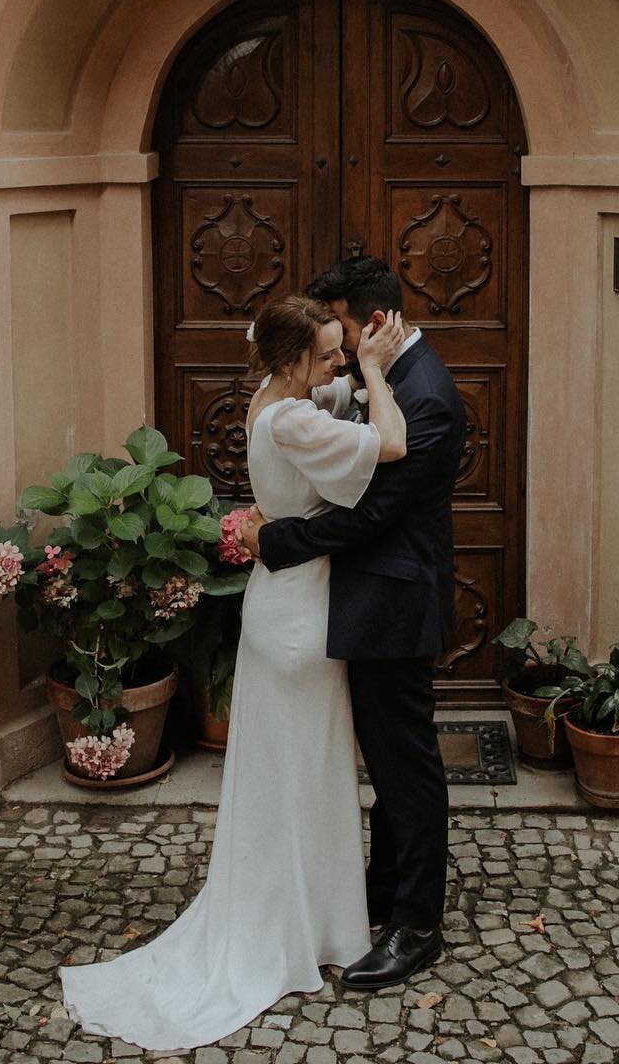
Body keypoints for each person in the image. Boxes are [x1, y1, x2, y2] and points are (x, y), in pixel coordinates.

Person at [60, 293, 408, 1050]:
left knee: (290, 772)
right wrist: (380, 376)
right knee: (304, 772)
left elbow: (330, 397)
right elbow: (390, 445)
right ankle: (300, 930)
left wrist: (353, 364)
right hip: (301, 617)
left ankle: (302, 918)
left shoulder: (269, 398)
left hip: (276, 598)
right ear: (290, 362)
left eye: (339, 353)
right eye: (325, 354)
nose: (338, 365)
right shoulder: (291, 419)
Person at [240, 255, 465, 991]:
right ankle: (382, 886)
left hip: (393, 603)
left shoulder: (424, 395)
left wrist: (274, 541)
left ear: (369, 323)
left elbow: (372, 514)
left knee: (407, 767)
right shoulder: (381, 376)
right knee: (389, 762)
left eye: (338, 329)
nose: (333, 351)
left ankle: (417, 924)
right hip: (359, 601)